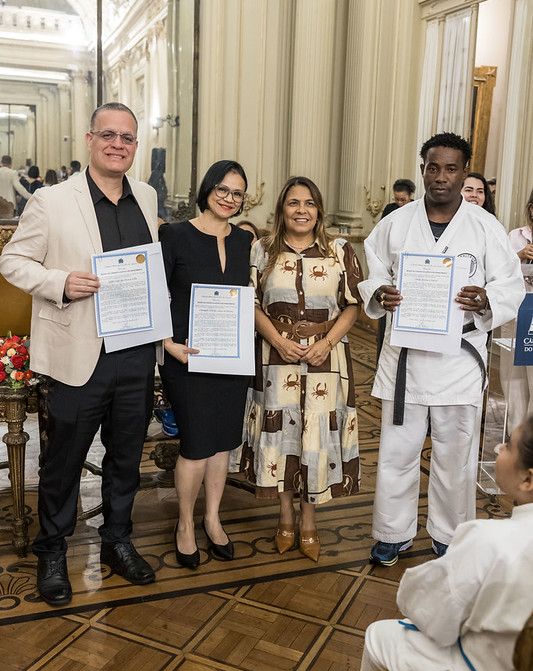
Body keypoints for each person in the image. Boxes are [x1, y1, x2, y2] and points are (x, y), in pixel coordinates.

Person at [0, 103, 158, 605]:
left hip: (135, 350)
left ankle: (116, 540)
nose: (118, 144)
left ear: (137, 145)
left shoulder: (148, 196)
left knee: (127, 457)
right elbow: (13, 260)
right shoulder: (52, 200)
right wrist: (59, 282)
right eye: (108, 135)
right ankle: (52, 551)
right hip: (77, 353)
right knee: (63, 460)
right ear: (89, 139)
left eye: (127, 138)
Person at [358, 132, 524, 566]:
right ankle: (392, 532)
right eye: (434, 167)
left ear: (465, 172)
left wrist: (486, 299)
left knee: (456, 453)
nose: (442, 177)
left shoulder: (485, 227)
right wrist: (381, 293)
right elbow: (372, 267)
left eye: (452, 168)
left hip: (459, 356)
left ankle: (449, 535)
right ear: (423, 169)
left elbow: (509, 285)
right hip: (407, 356)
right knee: (398, 450)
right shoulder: (395, 223)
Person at [359, 414, 533, 671]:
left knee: (378, 635)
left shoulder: (489, 539)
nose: (497, 448)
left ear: (528, 478)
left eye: (508, 446)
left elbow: (426, 609)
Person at [236, 176, 362, 562]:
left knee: (315, 437)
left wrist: (326, 343)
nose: (301, 210)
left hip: (326, 358)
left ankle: (309, 519)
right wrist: (277, 339)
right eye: (293, 203)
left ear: (319, 210)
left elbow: (353, 304)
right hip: (276, 358)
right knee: (281, 434)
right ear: (281, 209)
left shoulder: (339, 250)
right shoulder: (261, 250)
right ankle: (285, 513)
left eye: (309, 203)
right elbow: (251, 302)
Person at [158, 160, 253, 569]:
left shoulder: (245, 241)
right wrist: (167, 345)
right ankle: (184, 524)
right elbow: (154, 294)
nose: (229, 199)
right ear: (207, 189)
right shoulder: (174, 235)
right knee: (196, 445)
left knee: (223, 444)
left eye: (238, 193)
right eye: (223, 189)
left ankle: (213, 519)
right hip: (186, 356)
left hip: (230, 357)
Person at [500, 188, 533, 435]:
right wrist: (518, 256)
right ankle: (515, 434)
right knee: (512, 378)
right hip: (516, 313)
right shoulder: (515, 235)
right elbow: (499, 270)